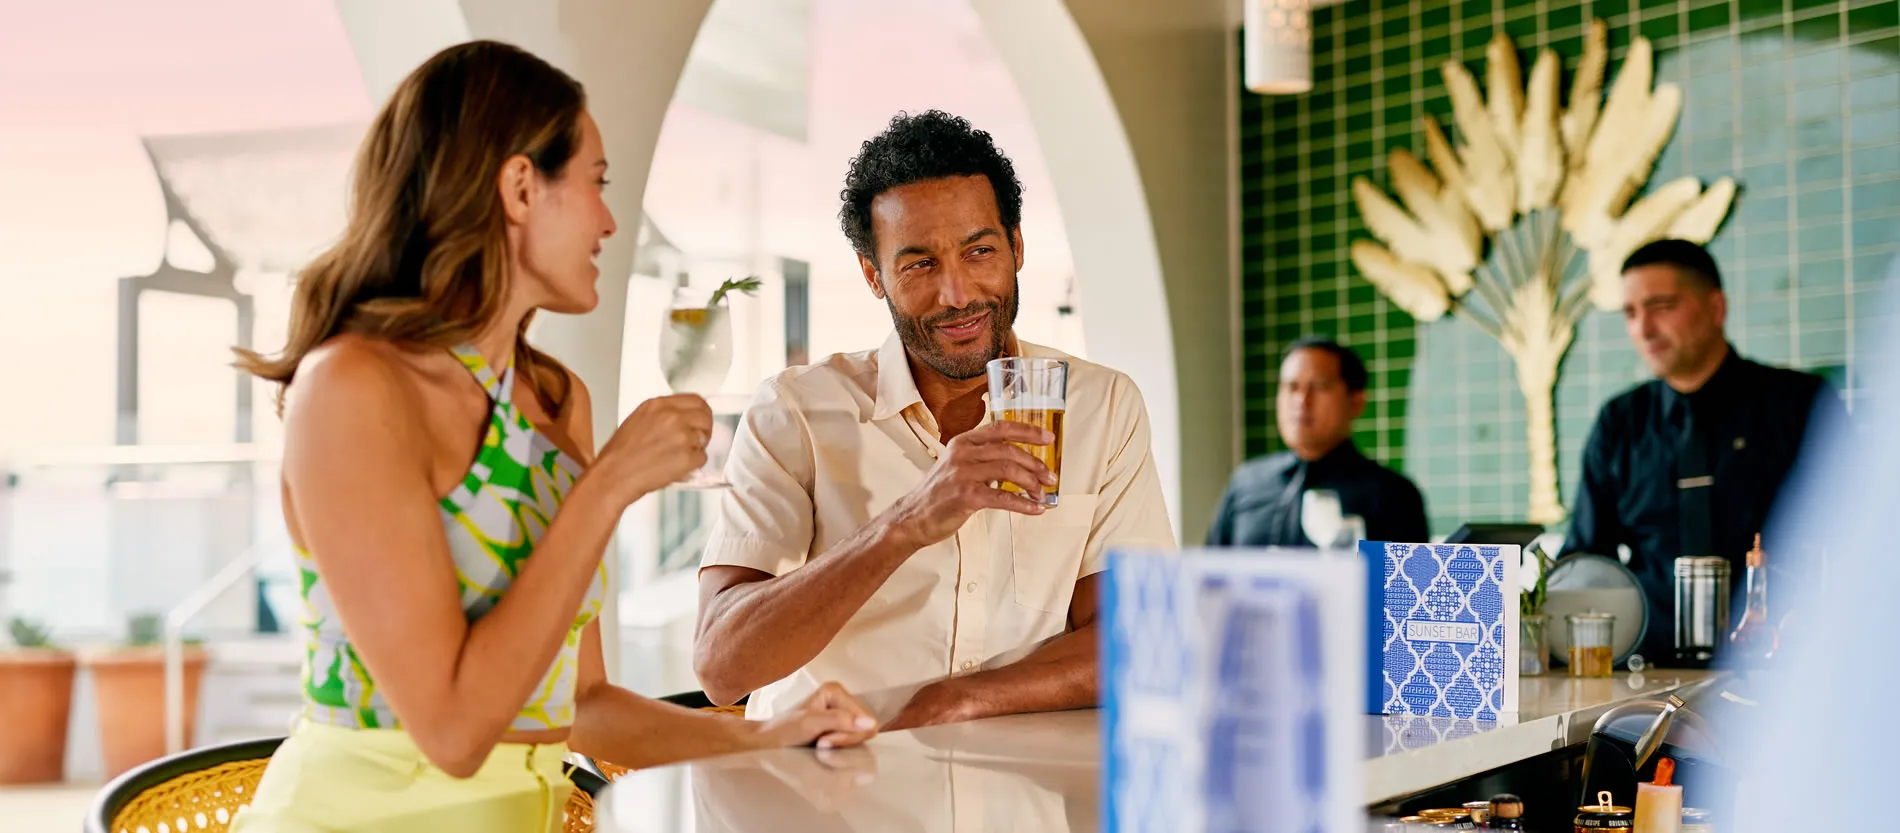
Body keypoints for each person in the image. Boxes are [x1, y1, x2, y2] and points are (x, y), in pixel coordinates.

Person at [228, 42, 874, 833]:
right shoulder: (354, 387)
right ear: (521, 186)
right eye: (596, 183)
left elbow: (584, 704)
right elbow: (456, 732)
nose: (609, 219)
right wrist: (608, 486)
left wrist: (767, 734)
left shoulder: (554, 400)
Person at [693, 110, 1175, 731]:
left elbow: (1131, 641)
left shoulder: (1101, 406)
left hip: (1014, 798)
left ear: (1017, 247)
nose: (956, 293)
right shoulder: (794, 412)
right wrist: (906, 523)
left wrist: (955, 702)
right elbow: (721, 668)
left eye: (979, 251)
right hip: (823, 798)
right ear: (874, 276)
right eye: (919, 264)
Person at [1562, 238, 1840, 666]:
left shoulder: (1801, 405)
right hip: (1645, 674)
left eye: (1661, 306)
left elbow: (1848, 537)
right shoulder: (1620, 422)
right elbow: (1583, 565)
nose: (1643, 329)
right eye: (1631, 314)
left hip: (1780, 670)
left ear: (1716, 307)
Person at [1206, 338, 1428, 547]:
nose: (1301, 400)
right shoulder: (1247, 483)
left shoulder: (1394, 496)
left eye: (1319, 386)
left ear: (1356, 402)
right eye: (1291, 387)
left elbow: (1410, 586)